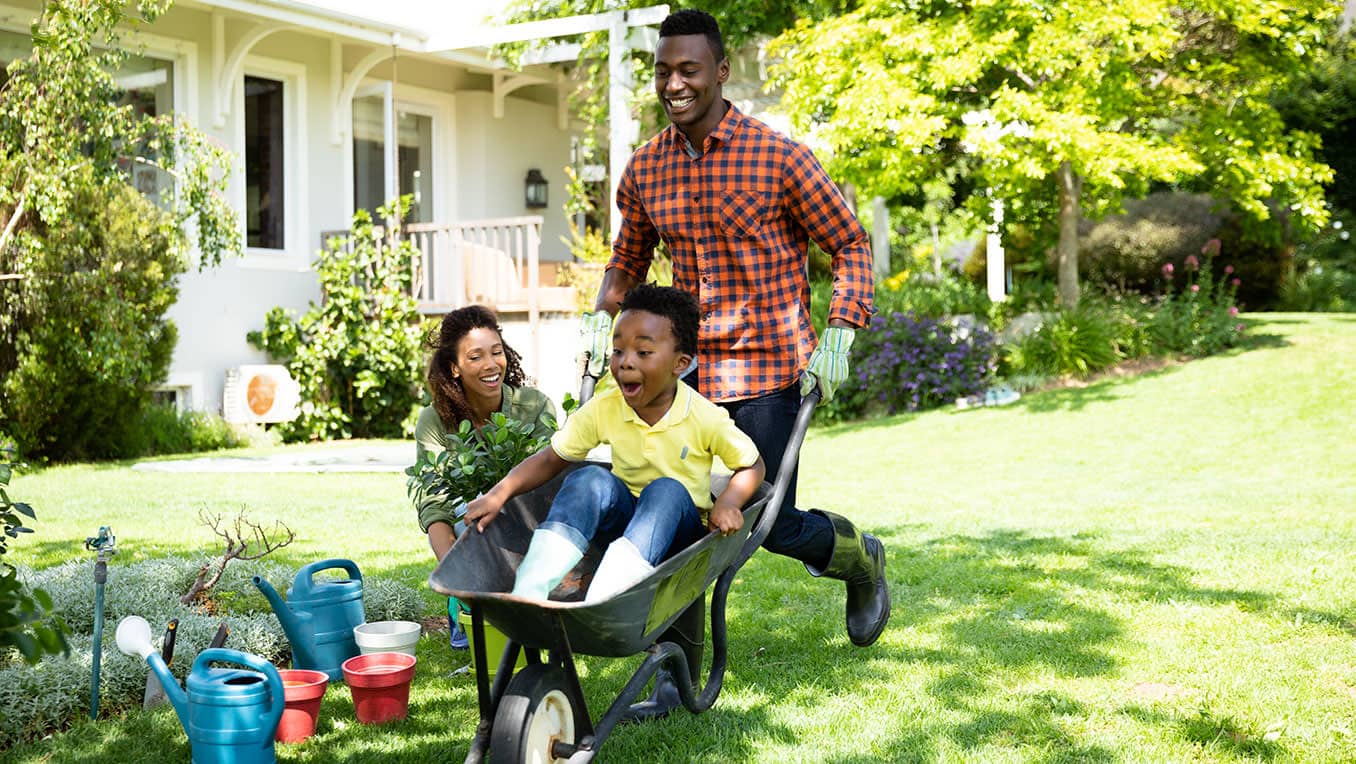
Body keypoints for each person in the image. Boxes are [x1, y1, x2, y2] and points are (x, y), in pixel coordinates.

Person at [578, 9, 890, 716]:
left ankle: (859, 559)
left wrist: (839, 329)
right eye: (663, 71)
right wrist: (604, 318)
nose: (674, 83)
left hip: (772, 371)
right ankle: (676, 669)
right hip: (688, 378)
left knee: (764, 522)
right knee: (679, 513)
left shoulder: (779, 156)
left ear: (721, 71)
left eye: (689, 69)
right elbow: (628, 257)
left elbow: (849, 243)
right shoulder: (648, 167)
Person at [465, 284, 766, 604]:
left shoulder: (704, 416)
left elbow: (752, 464)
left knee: (666, 490)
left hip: (680, 538)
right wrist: (499, 493)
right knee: (588, 478)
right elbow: (551, 460)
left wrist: (730, 501)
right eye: (618, 350)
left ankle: (608, 595)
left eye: (643, 352)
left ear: (680, 364)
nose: (625, 362)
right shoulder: (606, 408)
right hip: (624, 529)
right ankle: (531, 587)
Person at [413, 305, 557, 645]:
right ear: (455, 368)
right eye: (475, 357)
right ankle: (463, 611)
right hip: (470, 532)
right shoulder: (434, 421)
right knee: (467, 513)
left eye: (497, 352)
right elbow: (434, 501)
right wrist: (454, 572)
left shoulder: (535, 407)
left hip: (530, 526)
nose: (492, 365)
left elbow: (550, 485)